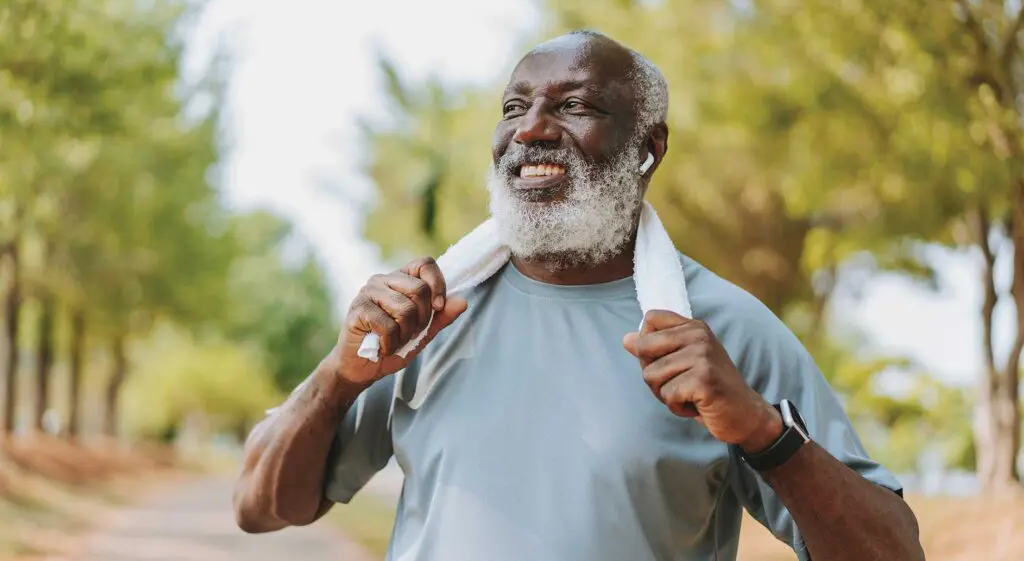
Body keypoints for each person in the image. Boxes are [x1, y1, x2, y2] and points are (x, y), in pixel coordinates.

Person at [233, 30, 924, 561]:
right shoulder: (422, 314)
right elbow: (261, 507)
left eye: (575, 106)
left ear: (648, 149)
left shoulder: (721, 330)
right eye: (515, 107)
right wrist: (337, 378)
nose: (531, 129)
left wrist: (761, 430)